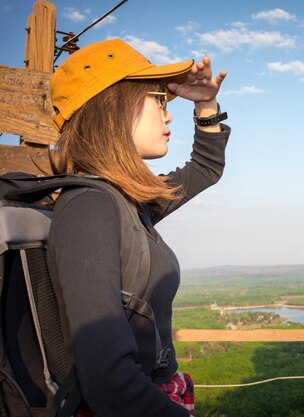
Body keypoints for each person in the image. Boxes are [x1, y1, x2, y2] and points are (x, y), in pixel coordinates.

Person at [47, 38, 229, 416]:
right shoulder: (90, 208)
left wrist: (206, 105)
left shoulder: (126, 202)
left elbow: (205, 170)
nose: (168, 115)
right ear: (113, 106)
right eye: (157, 99)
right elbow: (109, 380)